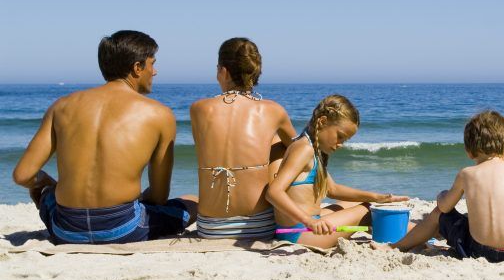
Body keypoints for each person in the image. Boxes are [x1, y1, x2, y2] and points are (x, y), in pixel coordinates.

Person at [12, 30, 197, 244]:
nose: (154, 72)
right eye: (152, 64)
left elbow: (22, 176)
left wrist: (45, 182)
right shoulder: (159, 114)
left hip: (65, 229)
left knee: (46, 192)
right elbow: (158, 196)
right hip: (123, 228)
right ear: (137, 68)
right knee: (194, 202)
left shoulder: (61, 106)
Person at [374, 110, 504, 261]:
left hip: (474, 250)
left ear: (469, 152)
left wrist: (441, 195)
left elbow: (445, 208)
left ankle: (395, 247)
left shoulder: (467, 174)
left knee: (437, 213)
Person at [267, 94, 409, 248]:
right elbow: (274, 192)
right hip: (300, 232)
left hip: (302, 226)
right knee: (369, 210)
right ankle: (409, 238)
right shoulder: (304, 149)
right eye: (340, 136)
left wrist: (377, 197)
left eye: (345, 140)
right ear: (322, 122)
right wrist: (310, 221)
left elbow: (332, 189)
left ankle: (413, 233)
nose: (341, 144)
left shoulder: (311, 147)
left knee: (365, 203)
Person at [191, 38, 297, 240]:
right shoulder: (273, 110)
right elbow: (301, 150)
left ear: (223, 71)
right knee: (282, 146)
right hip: (260, 226)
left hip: (210, 229)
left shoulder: (199, 109)